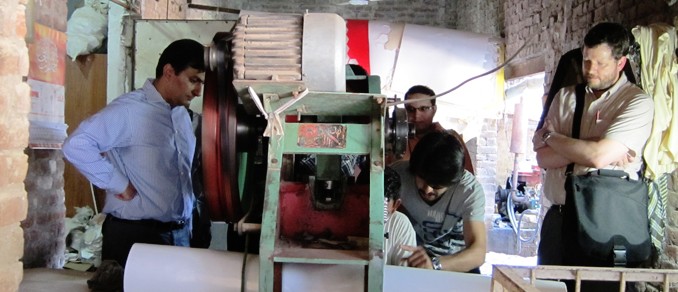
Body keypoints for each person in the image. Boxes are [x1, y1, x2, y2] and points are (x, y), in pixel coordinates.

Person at [63, 39, 206, 267]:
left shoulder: (183, 117)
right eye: (193, 80)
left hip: (179, 235)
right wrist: (118, 184)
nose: (198, 91)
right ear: (169, 71)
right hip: (135, 237)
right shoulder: (129, 110)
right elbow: (77, 145)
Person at [532, 22, 654, 289]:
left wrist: (554, 138)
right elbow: (542, 158)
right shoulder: (565, 98)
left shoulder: (637, 102)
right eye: (587, 61)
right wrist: (593, 148)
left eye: (600, 63)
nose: (590, 70)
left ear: (621, 63)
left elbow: (597, 157)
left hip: (606, 224)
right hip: (559, 220)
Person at [392, 131, 486, 273]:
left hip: (454, 263)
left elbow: (478, 253)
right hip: (412, 259)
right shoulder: (397, 175)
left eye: (437, 186)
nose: (427, 189)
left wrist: (435, 264)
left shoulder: (469, 191)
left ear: (453, 181)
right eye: (422, 178)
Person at [386, 85, 475, 175]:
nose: (417, 115)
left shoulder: (451, 138)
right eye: (410, 109)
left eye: (423, 109)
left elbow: (467, 179)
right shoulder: (391, 140)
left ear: (434, 110)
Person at [383, 166, 417, 266]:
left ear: (395, 205)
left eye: (382, 203)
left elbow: (404, 274)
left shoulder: (400, 224)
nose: (370, 206)